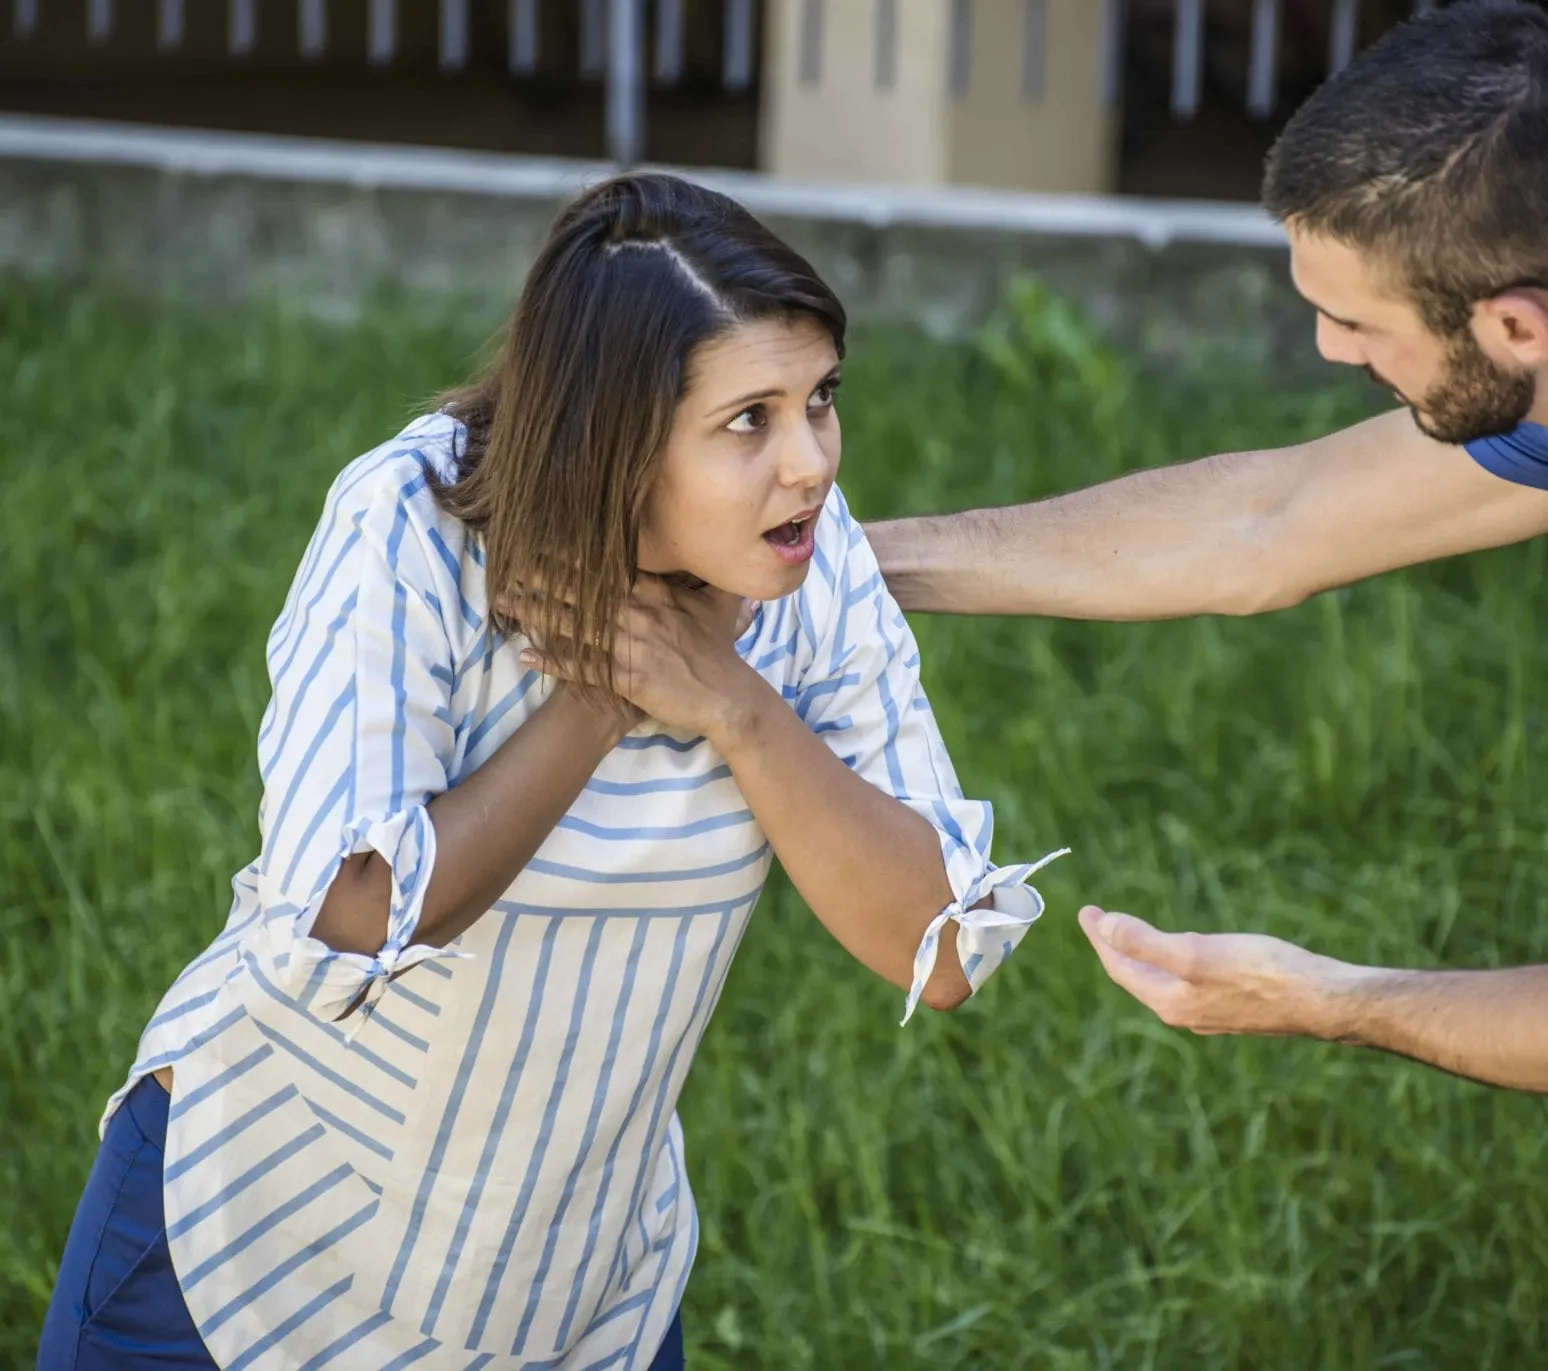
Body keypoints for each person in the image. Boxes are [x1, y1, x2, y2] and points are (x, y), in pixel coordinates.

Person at [865, 0, 1548, 1358]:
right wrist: (838, 564)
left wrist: (1322, 998)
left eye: (1349, 319)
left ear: (1518, 323)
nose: (1326, 353)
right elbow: (1271, 518)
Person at [37, 172, 1061, 1371]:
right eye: (752, 420)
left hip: (575, 1301)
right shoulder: (408, 527)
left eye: (820, 400)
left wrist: (731, 704)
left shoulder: (807, 569)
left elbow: (935, 947)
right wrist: (598, 703)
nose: (812, 464)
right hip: (246, 1254)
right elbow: (342, 920)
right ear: (613, 432)